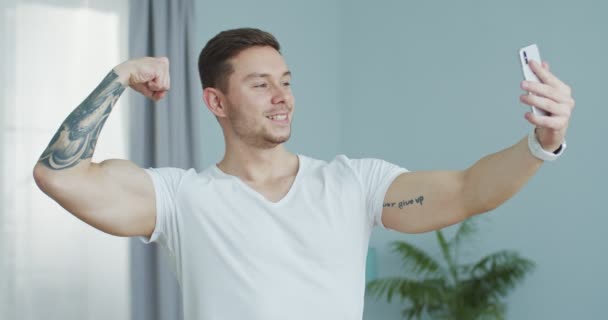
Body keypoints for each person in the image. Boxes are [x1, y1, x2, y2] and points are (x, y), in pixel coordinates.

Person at [32, 28, 575, 319]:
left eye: (286, 81)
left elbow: (467, 191)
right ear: (215, 102)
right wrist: (120, 76)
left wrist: (541, 142)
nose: (282, 97)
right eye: (260, 84)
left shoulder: (353, 185)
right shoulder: (179, 199)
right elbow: (60, 175)